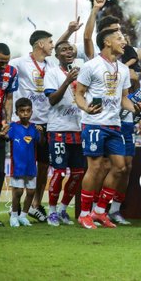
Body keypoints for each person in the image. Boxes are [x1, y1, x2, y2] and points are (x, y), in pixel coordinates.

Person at [74, 27, 139, 229]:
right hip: (94, 123)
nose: (124, 42)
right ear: (107, 42)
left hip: (114, 124)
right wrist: (86, 108)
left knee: (120, 168)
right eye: (119, 38)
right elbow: (79, 93)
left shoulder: (122, 69)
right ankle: (84, 214)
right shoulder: (91, 66)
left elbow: (123, 99)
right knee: (95, 167)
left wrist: (135, 108)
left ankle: (100, 212)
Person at [9, 29, 55, 223]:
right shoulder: (19, 63)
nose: (53, 45)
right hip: (24, 122)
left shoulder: (51, 63)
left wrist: (70, 31)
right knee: (21, 163)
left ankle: (35, 205)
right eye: (50, 42)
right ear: (40, 44)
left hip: (46, 122)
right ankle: (15, 209)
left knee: (44, 166)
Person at [43, 42, 85, 226]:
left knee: (77, 173)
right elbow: (52, 100)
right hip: (58, 129)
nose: (68, 52)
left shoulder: (82, 69)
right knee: (59, 173)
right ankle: (51, 211)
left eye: (70, 49)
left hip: (78, 128)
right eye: (63, 50)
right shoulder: (52, 73)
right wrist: (67, 81)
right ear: (57, 55)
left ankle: (63, 209)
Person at [8, 98, 39, 227]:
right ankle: (14, 215)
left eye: (27, 111)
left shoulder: (34, 128)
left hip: (31, 166)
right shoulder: (13, 127)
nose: (25, 114)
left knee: (31, 192)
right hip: (18, 166)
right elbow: (5, 137)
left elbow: (40, 143)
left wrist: (41, 133)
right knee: (19, 191)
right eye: (22, 111)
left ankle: (23, 216)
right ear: (17, 112)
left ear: (31, 112)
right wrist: (4, 133)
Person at [0, 43, 19, 226]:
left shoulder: (11, 72)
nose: (4, 66)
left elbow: (8, 98)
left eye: (6, 62)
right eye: (1, 62)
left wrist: (8, 122)